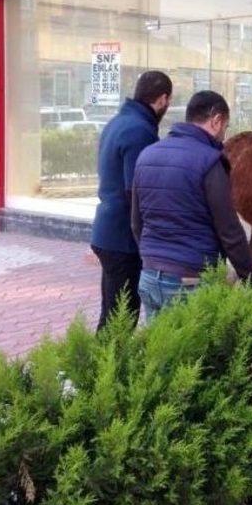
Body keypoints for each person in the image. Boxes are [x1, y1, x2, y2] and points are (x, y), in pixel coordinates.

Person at [132, 90, 252, 320]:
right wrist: (251, 279)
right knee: (193, 353)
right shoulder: (209, 161)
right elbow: (230, 232)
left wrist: (153, 258)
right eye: (225, 127)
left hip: (149, 276)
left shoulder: (146, 155)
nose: (223, 135)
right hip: (190, 281)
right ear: (216, 120)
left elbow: (136, 222)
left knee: (159, 352)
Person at [90, 70, 172, 331]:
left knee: (112, 316)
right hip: (123, 239)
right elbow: (137, 193)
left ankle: (101, 368)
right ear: (162, 99)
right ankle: (105, 371)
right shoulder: (140, 132)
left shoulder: (118, 122)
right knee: (121, 320)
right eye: (168, 102)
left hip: (108, 233)